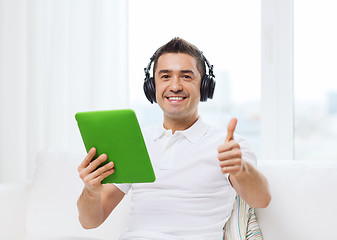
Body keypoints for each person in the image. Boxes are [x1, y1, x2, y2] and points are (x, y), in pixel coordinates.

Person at [77, 37, 271, 239]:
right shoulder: (135, 141)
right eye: (165, 76)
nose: (175, 86)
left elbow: (261, 199)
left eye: (186, 77)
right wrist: (90, 190)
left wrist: (240, 168)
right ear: (152, 86)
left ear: (204, 86)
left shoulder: (229, 145)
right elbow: (90, 221)